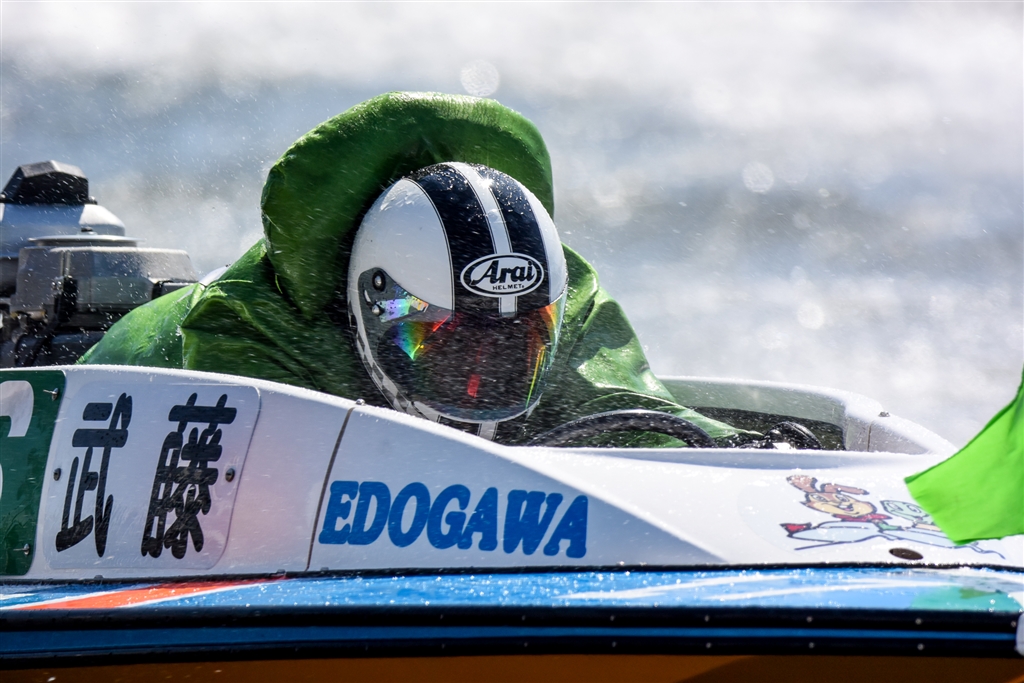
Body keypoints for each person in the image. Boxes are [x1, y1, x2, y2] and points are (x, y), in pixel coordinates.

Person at [81, 91, 747, 446]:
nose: (483, 381)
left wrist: (743, 457)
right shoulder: (249, 340)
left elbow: (634, 413)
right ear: (374, 304)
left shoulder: (559, 304)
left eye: (515, 347)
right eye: (444, 342)